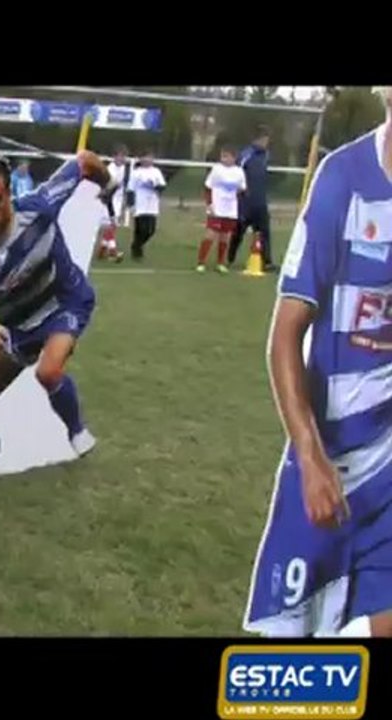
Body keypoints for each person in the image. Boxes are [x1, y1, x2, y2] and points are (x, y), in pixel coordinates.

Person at [242, 87, 392, 638]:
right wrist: (309, 456)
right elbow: (285, 334)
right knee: (295, 661)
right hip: (330, 459)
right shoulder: (343, 179)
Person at [0, 151, 110, 479]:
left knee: (48, 372)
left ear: (10, 193)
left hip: (66, 305)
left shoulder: (39, 206)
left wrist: (108, 183)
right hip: (19, 331)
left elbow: (82, 162)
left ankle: (77, 431)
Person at [229, 125, 275, 271]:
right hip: (246, 202)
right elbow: (236, 174)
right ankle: (229, 258)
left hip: (260, 202)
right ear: (258, 139)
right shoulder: (246, 155)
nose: (266, 143)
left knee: (264, 232)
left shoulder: (266, 155)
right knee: (238, 231)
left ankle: (266, 262)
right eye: (264, 139)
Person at [196, 145, 247, 273]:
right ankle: (201, 262)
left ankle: (220, 263)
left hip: (230, 209)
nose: (224, 159)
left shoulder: (239, 172)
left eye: (227, 156)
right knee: (210, 234)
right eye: (222, 156)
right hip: (216, 208)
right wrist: (209, 204)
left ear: (234, 158)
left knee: (225, 237)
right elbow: (208, 188)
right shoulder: (217, 169)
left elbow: (242, 189)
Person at [127, 149, 166, 261]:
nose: (147, 159)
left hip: (152, 204)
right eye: (145, 157)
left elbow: (162, 186)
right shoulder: (136, 172)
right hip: (140, 204)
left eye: (150, 157)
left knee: (151, 230)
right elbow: (130, 189)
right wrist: (131, 204)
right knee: (141, 229)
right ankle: (137, 251)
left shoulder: (156, 172)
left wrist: (154, 186)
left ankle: (137, 245)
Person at [96, 145, 129, 262]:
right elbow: (109, 186)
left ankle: (102, 249)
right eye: (119, 156)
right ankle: (113, 252)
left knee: (112, 226)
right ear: (114, 157)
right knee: (111, 225)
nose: (121, 159)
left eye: (123, 156)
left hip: (118, 201)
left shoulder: (125, 169)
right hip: (109, 202)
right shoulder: (110, 169)